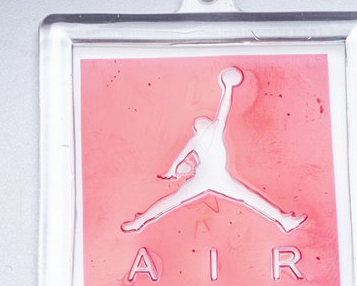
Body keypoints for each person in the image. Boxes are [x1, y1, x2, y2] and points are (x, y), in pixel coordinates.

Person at [121, 67, 306, 233]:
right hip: (211, 178)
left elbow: (180, 158)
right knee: (248, 198)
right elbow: (222, 112)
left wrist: (172, 170)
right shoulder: (209, 135)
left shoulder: (199, 140)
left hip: (212, 178)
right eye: (205, 122)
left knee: (174, 200)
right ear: (203, 127)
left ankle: (140, 221)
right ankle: (283, 220)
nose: (209, 123)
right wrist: (228, 88)